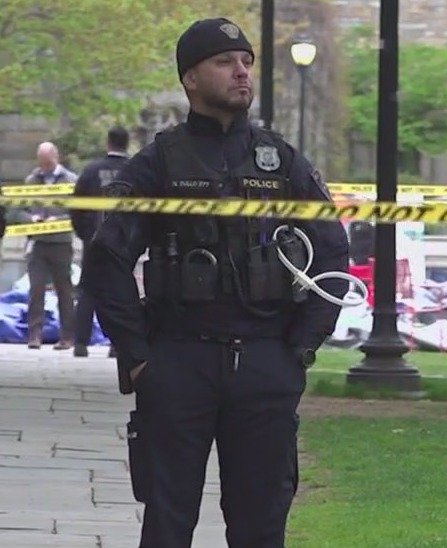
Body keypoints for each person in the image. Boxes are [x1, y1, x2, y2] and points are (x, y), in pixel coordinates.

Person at [79, 18, 350, 548]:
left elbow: (332, 251)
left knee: (261, 523)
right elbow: (107, 259)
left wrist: (301, 346)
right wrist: (137, 353)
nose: (241, 72)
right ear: (191, 79)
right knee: (167, 520)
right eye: (225, 62)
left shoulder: (280, 161)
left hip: (266, 360)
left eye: (246, 61)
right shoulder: (160, 161)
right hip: (179, 361)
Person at [7, 142, 77, 349]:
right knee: (36, 290)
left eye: (48, 162)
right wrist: (31, 219)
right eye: (42, 162)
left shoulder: (71, 181)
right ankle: (34, 335)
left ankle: (67, 336)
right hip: (38, 244)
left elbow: (79, 212)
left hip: (61, 243)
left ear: (56, 158)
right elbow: (17, 211)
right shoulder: (31, 180)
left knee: (64, 290)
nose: (45, 166)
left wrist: (60, 220)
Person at [71, 126, 130, 358]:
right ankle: (117, 345)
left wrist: (83, 232)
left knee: (88, 289)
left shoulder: (92, 170)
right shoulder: (134, 169)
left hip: (94, 238)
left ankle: (80, 343)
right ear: (126, 143)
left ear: (108, 143)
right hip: (125, 240)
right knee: (121, 291)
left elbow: (77, 205)